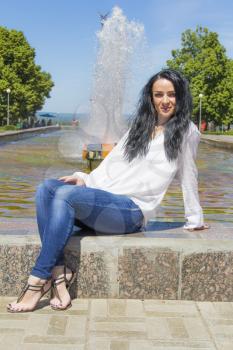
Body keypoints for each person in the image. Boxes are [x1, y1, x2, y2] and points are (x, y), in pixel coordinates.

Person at [7, 69, 210, 313]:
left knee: (64, 196)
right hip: (107, 203)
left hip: (132, 211)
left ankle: (37, 280)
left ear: (181, 97)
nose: (165, 101)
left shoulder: (186, 132)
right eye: (158, 94)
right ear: (151, 97)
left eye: (171, 94)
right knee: (46, 189)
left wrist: (194, 218)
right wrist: (84, 178)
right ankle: (59, 275)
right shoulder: (140, 126)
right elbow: (112, 163)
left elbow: (189, 173)